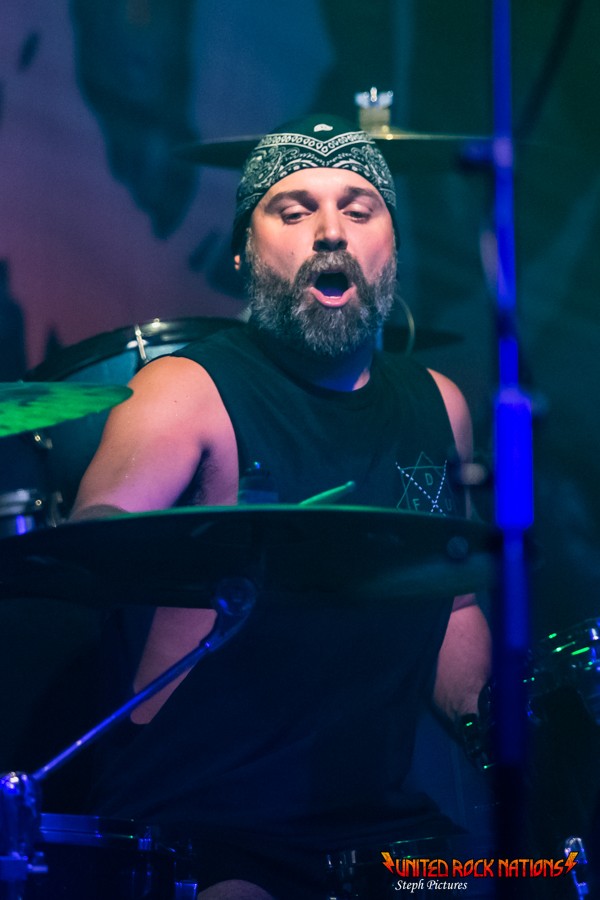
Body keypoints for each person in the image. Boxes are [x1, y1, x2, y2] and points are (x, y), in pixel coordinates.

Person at [70, 114, 492, 899]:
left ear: (392, 250)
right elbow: (93, 544)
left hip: (378, 824)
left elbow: (455, 607)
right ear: (241, 252)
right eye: (293, 212)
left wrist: (494, 727)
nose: (330, 232)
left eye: (358, 211)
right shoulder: (183, 391)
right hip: (209, 823)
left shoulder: (442, 406)